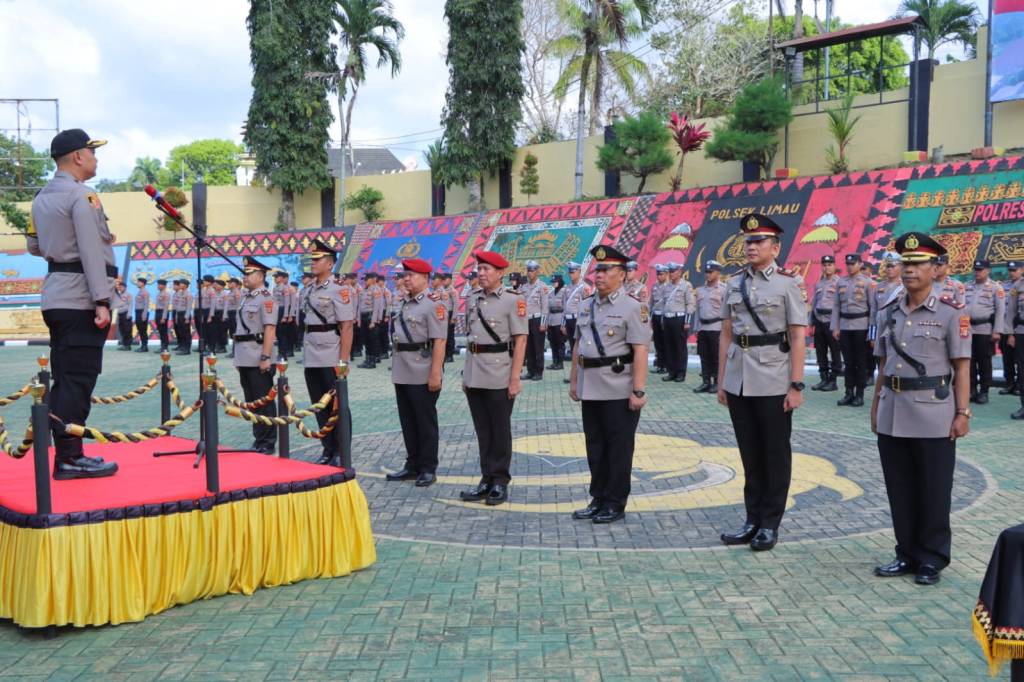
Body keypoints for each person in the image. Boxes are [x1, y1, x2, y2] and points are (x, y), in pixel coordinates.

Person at [870, 232, 971, 586]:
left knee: (933, 488)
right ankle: (906, 552)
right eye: (906, 263)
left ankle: (932, 557)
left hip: (933, 413)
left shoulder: (950, 313)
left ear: (935, 268)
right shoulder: (889, 311)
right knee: (899, 487)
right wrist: (875, 405)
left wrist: (963, 412)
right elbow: (883, 363)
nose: (909, 270)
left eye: (917, 264)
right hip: (893, 410)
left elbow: (961, 366)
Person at [26, 128, 118, 479]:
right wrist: (102, 300)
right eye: (92, 153)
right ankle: (69, 457)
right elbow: (92, 252)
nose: (95, 159)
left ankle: (68, 452)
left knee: (65, 377)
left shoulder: (41, 197)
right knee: (79, 378)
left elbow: (35, 246)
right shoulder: (84, 197)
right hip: (82, 296)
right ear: (78, 156)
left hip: (56, 295)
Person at [717, 213, 807, 551]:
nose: (751, 246)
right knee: (750, 454)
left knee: (774, 453)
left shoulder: (789, 283)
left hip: (773, 377)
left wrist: (796, 385)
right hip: (739, 378)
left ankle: (770, 522)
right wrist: (722, 380)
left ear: (775, 246)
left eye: (758, 241)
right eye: (748, 240)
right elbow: (726, 334)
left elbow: (798, 337)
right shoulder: (733, 283)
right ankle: (751, 518)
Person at [569, 245, 651, 524]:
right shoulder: (586, 305)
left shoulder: (633, 307)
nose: (599, 275)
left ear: (622, 274)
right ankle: (598, 497)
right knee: (595, 445)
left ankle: (615, 502)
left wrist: (638, 389)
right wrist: (575, 381)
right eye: (597, 269)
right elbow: (578, 345)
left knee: (618, 447)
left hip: (618, 386)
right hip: (590, 385)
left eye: (606, 270)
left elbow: (640, 350)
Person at [459, 250, 528, 506]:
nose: (481, 273)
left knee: (500, 430)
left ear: (500, 273)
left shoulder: (513, 300)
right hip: (475, 371)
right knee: (483, 430)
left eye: (487, 269)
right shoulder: (473, 298)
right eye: (480, 268)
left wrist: (515, 377)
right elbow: (471, 339)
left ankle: (500, 481)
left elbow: (521, 340)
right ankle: (485, 479)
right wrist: (466, 373)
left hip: (500, 371)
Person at [386, 259, 447, 486]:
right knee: (408, 420)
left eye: (411, 275)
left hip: (422, 369)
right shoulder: (405, 302)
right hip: (402, 368)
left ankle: (428, 467)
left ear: (425, 278)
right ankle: (412, 464)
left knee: (424, 421)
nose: (406, 279)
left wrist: (435, 374)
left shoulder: (433, 305)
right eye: (405, 275)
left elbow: (439, 341)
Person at [301, 239, 354, 465]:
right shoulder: (308, 289)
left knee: (337, 405)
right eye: (312, 259)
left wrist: (343, 360)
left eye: (318, 259)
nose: (313, 263)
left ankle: (342, 450)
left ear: (330, 263)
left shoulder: (340, 290)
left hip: (330, 353)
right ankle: (328, 448)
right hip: (311, 353)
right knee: (319, 405)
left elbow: (347, 326)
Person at [234, 256, 279, 454]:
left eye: (249, 273)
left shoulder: (266, 298)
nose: (245, 276)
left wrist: (265, 356)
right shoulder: (246, 297)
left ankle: (268, 441)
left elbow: (269, 329)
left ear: (260, 276)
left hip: (258, 355)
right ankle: (258, 438)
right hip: (244, 355)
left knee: (264, 401)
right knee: (252, 400)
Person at [831, 254, 876, 406]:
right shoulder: (841, 282)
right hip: (844, 326)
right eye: (847, 263)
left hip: (861, 326)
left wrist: (871, 332)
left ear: (860, 264)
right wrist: (835, 327)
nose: (849, 266)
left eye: (853, 263)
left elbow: (872, 309)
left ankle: (860, 394)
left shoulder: (868, 282)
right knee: (848, 362)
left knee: (860, 362)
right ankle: (848, 392)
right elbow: (836, 306)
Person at [964, 259, 1005, 404]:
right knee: (969, 361)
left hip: (985, 329)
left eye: (980, 269)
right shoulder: (967, 286)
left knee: (984, 362)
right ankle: (972, 389)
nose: (977, 272)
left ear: (988, 271)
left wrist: (997, 331)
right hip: (968, 330)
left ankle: (984, 391)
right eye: (975, 269)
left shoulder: (995, 288)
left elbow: (1000, 311)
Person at [693, 260, 727, 393]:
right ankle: (705, 382)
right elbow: (697, 310)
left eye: (711, 272)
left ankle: (716, 382)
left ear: (718, 273)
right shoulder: (700, 290)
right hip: (703, 328)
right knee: (704, 355)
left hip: (717, 328)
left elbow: (728, 312)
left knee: (716, 357)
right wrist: (696, 328)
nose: (708, 275)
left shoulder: (724, 290)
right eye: (706, 272)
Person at [809, 255, 840, 391]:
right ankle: (823, 378)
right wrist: (811, 323)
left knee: (834, 351)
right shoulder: (819, 283)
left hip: (831, 322)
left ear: (834, 266)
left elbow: (840, 306)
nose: (827, 267)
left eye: (829, 265)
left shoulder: (839, 283)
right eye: (824, 265)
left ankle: (833, 381)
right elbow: (814, 303)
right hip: (819, 321)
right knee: (820, 351)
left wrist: (838, 325)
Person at [661, 262, 694, 383]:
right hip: (668, 319)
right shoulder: (666, 286)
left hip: (679, 319)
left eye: (673, 271)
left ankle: (681, 372)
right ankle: (671, 372)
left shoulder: (686, 285)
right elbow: (664, 304)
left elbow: (690, 304)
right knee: (669, 347)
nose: (671, 274)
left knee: (680, 347)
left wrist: (687, 321)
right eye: (670, 271)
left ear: (680, 272)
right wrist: (662, 320)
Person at [561, 262, 592, 384]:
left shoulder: (584, 287)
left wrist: (584, 322)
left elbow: (587, 306)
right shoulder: (567, 288)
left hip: (578, 320)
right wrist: (563, 323)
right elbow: (564, 307)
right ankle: (574, 374)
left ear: (579, 272)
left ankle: (583, 373)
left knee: (581, 347)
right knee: (573, 347)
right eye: (570, 272)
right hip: (568, 320)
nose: (571, 275)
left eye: (573, 272)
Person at [521, 261, 549, 381]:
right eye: (528, 270)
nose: (530, 273)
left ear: (537, 272)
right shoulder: (524, 287)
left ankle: (539, 371)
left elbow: (545, 307)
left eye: (532, 271)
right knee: (529, 348)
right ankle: (530, 371)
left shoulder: (542, 286)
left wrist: (543, 323)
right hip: (526, 320)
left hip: (537, 320)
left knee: (538, 347)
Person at [999, 262, 1022, 396]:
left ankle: (1020, 385)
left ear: (1021, 270)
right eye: (1010, 270)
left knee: (1020, 359)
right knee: (1007, 358)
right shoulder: (1003, 286)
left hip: (1019, 326)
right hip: (1005, 327)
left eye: (1014, 270)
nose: (1011, 272)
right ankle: (1009, 383)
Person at [1008, 265, 1024, 420]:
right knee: (1022, 371)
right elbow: (1011, 311)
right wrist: (1010, 333)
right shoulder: (1017, 286)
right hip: (1021, 333)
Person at [649, 264, 669, 374]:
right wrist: (649, 317)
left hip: (664, 316)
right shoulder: (655, 285)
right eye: (658, 274)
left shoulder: (669, 286)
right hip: (655, 315)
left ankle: (666, 365)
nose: (659, 276)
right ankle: (659, 364)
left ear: (666, 274)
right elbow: (651, 301)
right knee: (657, 341)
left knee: (665, 341)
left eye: (661, 274)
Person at [546, 274, 566, 370]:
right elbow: (547, 309)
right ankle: (554, 362)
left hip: (559, 319)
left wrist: (564, 323)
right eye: (553, 282)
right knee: (552, 342)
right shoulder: (550, 293)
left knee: (560, 343)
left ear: (560, 282)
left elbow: (566, 309)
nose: (554, 284)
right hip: (551, 320)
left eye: (555, 282)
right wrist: (546, 323)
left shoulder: (564, 293)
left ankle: (560, 363)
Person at [113, 280, 132, 350]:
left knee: (127, 330)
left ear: (125, 287)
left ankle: (128, 345)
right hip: (120, 314)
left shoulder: (128, 295)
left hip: (126, 314)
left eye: (121, 287)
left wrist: (129, 314)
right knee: (122, 329)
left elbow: (130, 305)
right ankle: (124, 344)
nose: (120, 288)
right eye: (119, 287)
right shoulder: (119, 295)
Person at [132, 277, 150, 352]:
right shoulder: (140, 292)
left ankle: (144, 346)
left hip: (142, 312)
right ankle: (143, 345)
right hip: (138, 312)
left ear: (142, 283)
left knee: (143, 330)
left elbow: (146, 304)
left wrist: (144, 314)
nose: (137, 283)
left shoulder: (145, 292)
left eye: (138, 282)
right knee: (140, 329)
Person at [154, 279, 171, 353]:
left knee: (163, 331)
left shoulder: (166, 294)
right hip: (158, 312)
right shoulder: (159, 293)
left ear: (164, 285)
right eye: (157, 284)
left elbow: (166, 306)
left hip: (163, 313)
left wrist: (163, 317)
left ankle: (165, 347)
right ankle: (162, 345)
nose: (158, 286)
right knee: (160, 331)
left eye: (159, 284)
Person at [226, 277, 241, 357]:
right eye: (229, 283)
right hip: (230, 313)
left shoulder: (237, 292)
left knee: (236, 333)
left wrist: (237, 316)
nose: (229, 284)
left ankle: (236, 352)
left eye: (231, 283)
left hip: (235, 313)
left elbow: (239, 305)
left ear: (236, 284)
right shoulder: (230, 293)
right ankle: (234, 351)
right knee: (232, 333)